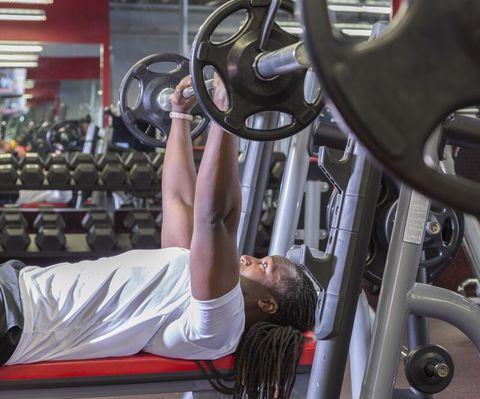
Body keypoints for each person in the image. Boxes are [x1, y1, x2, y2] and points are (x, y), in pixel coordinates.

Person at [0, 75, 317, 399]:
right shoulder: (196, 288)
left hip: (18, 316)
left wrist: (226, 112)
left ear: (267, 303)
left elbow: (216, 217)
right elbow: (180, 200)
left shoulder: (224, 321)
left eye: (263, 267)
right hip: (19, 284)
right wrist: (179, 115)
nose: (249, 257)